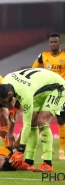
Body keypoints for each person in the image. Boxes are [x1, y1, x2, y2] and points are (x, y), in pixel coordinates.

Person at [0, 68, 65, 172]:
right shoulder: (5, 81)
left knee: (41, 121)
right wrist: (16, 106)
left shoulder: (25, 95)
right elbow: (17, 91)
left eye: (3, 101)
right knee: (32, 122)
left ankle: (48, 163)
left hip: (57, 88)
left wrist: (20, 150)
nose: (2, 104)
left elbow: (26, 126)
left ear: (9, 95)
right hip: (38, 89)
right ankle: (29, 162)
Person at [32, 32, 65, 160]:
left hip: (61, 91)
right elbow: (33, 69)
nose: (53, 44)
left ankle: (62, 150)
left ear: (59, 43)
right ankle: (48, 148)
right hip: (46, 91)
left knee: (61, 120)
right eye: (51, 42)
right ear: (49, 43)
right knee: (41, 118)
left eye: (56, 42)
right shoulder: (43, 56)